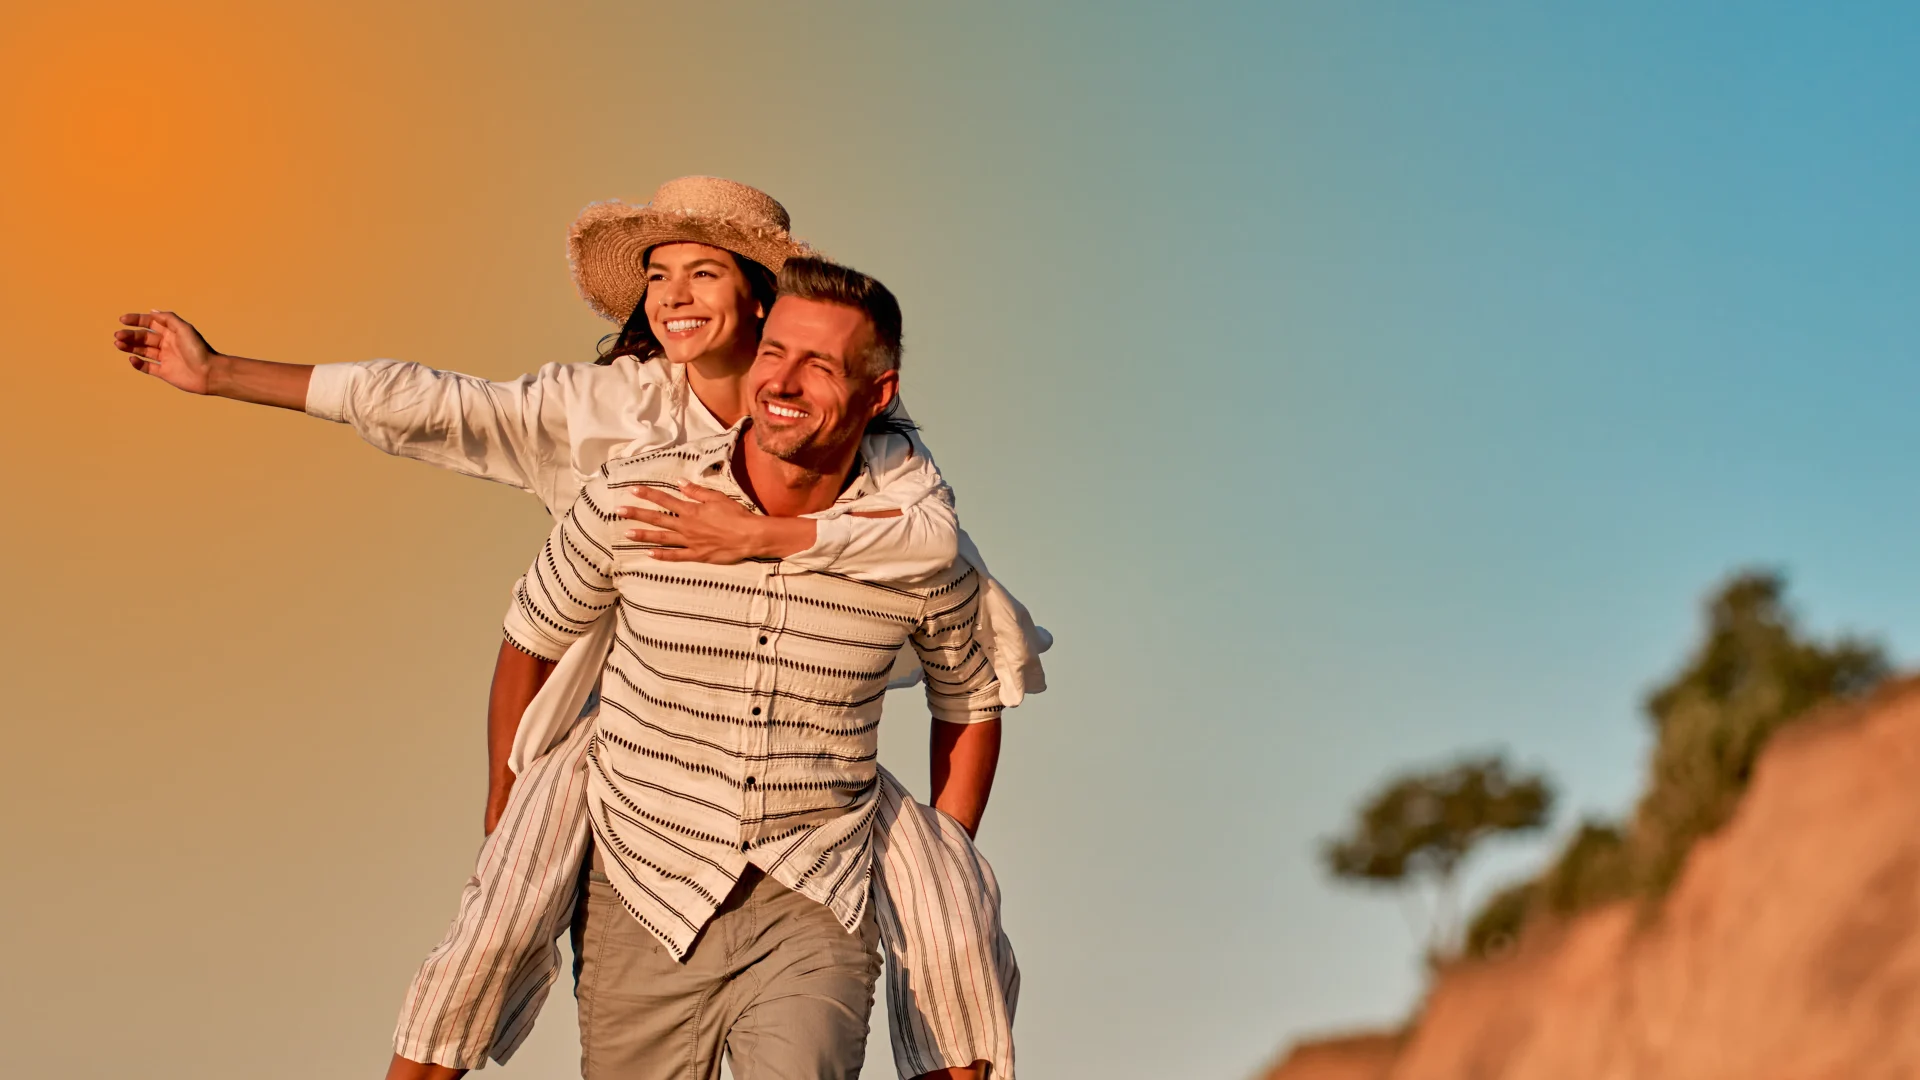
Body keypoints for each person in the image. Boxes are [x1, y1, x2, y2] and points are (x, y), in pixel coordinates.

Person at [112, 177, 1038, 1079]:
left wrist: (768, 534)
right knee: (490, 931)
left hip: (810, 817)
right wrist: (220, 372)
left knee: (950, 922)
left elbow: (940, 569)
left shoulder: (888, 458)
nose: (674, 296)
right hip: (639, 765)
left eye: (704, 272)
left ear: (765, 299)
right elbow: (442, 407)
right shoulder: (614, 419)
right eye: (660, 274)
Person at [505, 254, 1003, 1079]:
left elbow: (971, 697)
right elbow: (533, 632)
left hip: (816, 888)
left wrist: (942, 859)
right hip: (643, 877)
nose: (785, 380)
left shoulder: (919, 540)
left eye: (821, 365)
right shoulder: (638, 497)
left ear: (878, 395)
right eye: (774, 352)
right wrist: (507, 797)